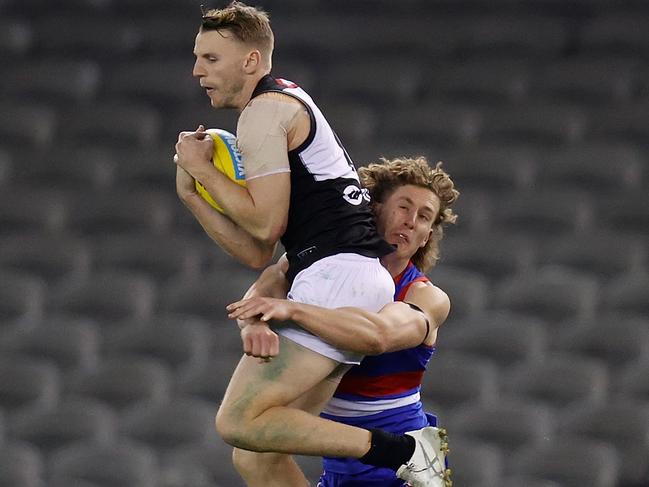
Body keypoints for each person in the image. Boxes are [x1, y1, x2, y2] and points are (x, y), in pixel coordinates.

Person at [173, 3, 449, 487]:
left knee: (236, 421)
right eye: (197, 57)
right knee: (255, 456)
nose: (197, 70)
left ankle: (405, 450)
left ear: (251, 61)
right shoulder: (281, 105)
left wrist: (202, 171)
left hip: (335, 280)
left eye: (211, 58)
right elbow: (260, 254)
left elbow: (263, 222)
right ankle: (404, 452)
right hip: (332, 278)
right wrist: (192, 196)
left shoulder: (265, 111)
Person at [228, 156, 459, 486]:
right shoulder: (328, 270)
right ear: (374, 210)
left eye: (424, 217)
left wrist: (294, 310)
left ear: (425, 237)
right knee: (251, 456)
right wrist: (254, 324)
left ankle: (410, 451)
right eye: (403, 207)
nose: (410, 221)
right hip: (344, 468)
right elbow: (267, 285)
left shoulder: (425, 296)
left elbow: (379, 335)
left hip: (404, 469)